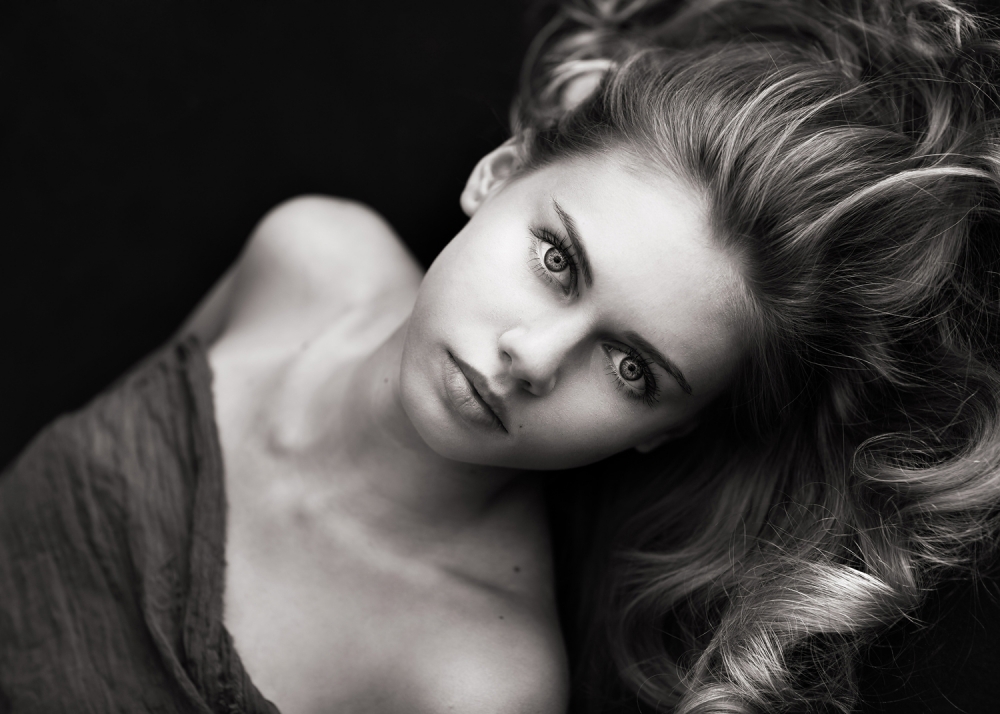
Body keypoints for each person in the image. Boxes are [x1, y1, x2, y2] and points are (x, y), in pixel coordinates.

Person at [2, 0, 1000, 712]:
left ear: (671, 430)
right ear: (500, 170)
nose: (531, 356)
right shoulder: (305, 252)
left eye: (632, 369)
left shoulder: (475, 683)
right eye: (557, 261)